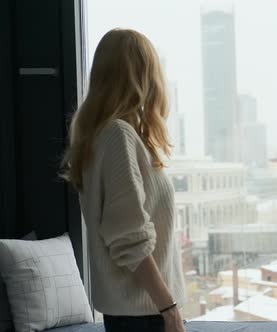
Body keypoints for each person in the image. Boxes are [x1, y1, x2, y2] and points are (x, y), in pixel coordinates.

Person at [61, 28, 186, 332]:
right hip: (144, 317)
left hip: (137, 316)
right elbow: (129, 238)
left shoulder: (105, 135)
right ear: (141, 75)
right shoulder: (117, 136)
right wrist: (169, 309)